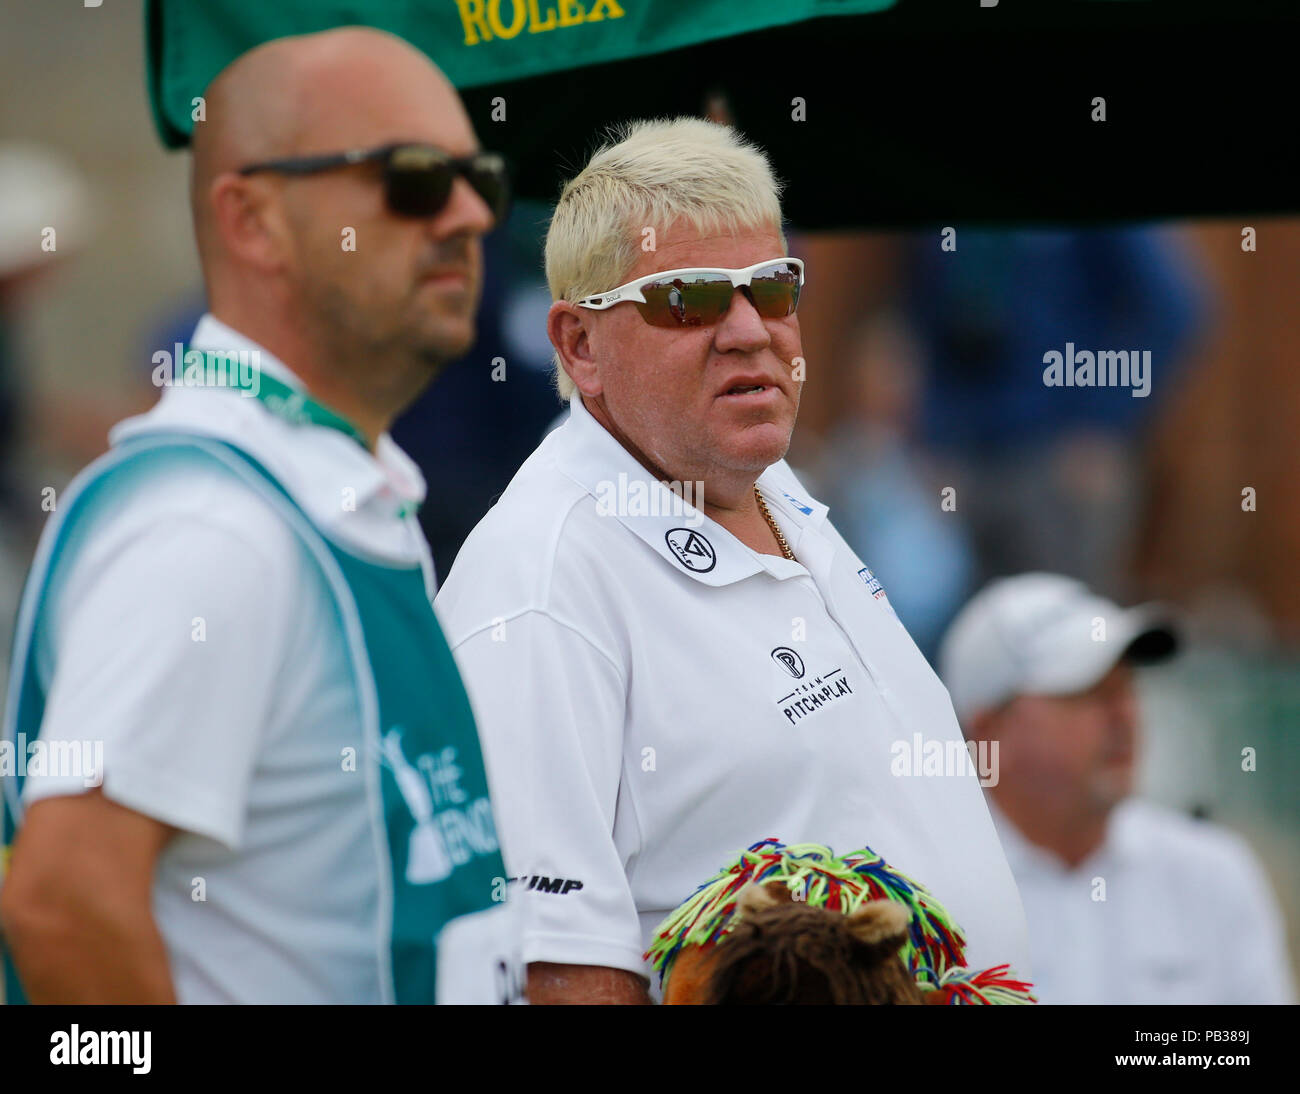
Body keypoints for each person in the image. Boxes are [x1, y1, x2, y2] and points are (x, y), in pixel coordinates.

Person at [434, 118, 1032, 1004]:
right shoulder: (543, 582)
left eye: (773, 288)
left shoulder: (764, 478)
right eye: (691, 300)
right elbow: (553, 967)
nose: (751, 331)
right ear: (579, 346)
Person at [1, 27, 518, 1004]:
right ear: (253, 222)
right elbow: (60, 902)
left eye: (477, 176)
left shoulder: (336, 484)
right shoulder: (211, 523)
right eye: (411, 178)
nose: (465, 214)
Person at [937, 572, 1296, 1004]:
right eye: (1086, 692)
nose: (1124, 715)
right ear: (989, 729)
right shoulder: (927, 895)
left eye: (1126, 686)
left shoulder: (1213, 877)